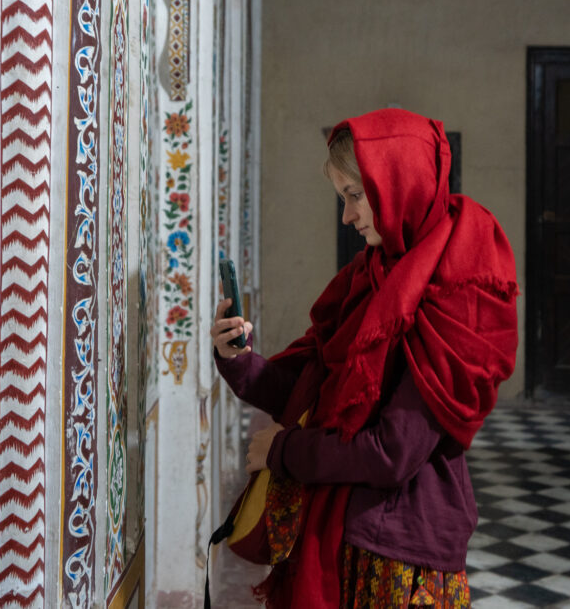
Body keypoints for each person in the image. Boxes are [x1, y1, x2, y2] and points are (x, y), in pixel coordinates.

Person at [209, 108, 518, 608]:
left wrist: (283, 451)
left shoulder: (453, 297)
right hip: (342, 533)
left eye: (355, 196)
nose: (348, 216)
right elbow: (313, 393)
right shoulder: (370, 275)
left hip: (399, 555)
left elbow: (392, 453)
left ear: (399, 182)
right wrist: (239, 359)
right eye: (343, 198)